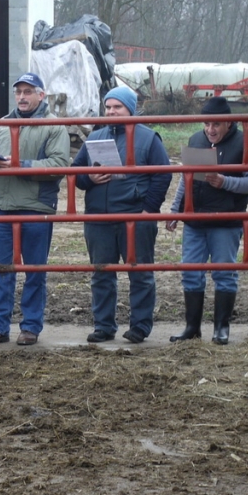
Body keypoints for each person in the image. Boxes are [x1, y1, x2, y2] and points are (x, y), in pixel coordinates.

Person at [0, 73, 70, 346]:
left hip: (35, 207)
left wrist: (21, 165)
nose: (22, 97)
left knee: (34, 271)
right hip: (2, 207)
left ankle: (30, 327)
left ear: (41, 95)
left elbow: (59, 165)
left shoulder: (54, 127)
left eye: (28, 91)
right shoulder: (1, 125)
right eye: (18, 92)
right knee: (0, 268)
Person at [72, 86, 172, 344]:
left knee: (139, 273)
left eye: (117, 106)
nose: (111, 111)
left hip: (134, 217)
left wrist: (148, 210)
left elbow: (163, 174)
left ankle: (140, 327)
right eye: (108, 106)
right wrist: (89, 177)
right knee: (101, 273)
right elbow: (76, 174)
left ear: (130, 108)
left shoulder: (149, 138)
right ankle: (104, 326)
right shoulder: (95, 136)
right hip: (98, 218)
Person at [166, 96, 248, 345]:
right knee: (190, 272)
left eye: (216, 124)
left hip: (226, 220)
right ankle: (192, 328)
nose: (210, 129)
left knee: (224, 272)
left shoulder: (245, 143)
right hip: (195, 219)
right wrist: (176, 210)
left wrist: (225, 181)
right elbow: (186, 179)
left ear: (228, 123)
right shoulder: (196, 141)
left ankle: (222, 328)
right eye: (207, 123)